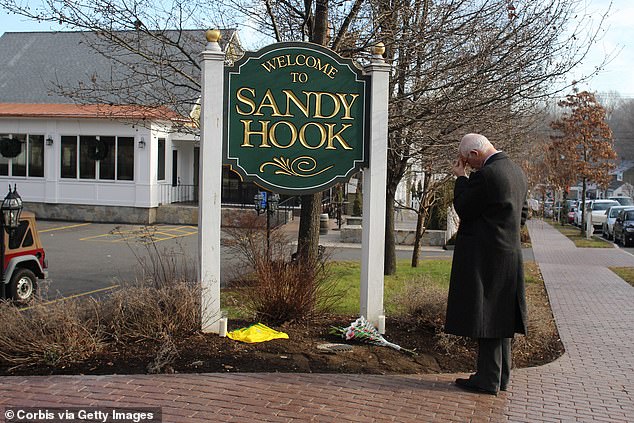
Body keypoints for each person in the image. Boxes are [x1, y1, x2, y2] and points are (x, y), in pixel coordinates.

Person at [445, 133, 528, 395]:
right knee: (501, 316)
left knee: (488, 317)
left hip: (487, 256)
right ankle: (500, 376)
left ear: (474, 154)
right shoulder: (516, 171)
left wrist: (460, 178)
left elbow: (465, 207)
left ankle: (487, 379)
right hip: (509, 253)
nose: (469, 166)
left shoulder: (487, 175)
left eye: (468, 161)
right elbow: (522, 215)